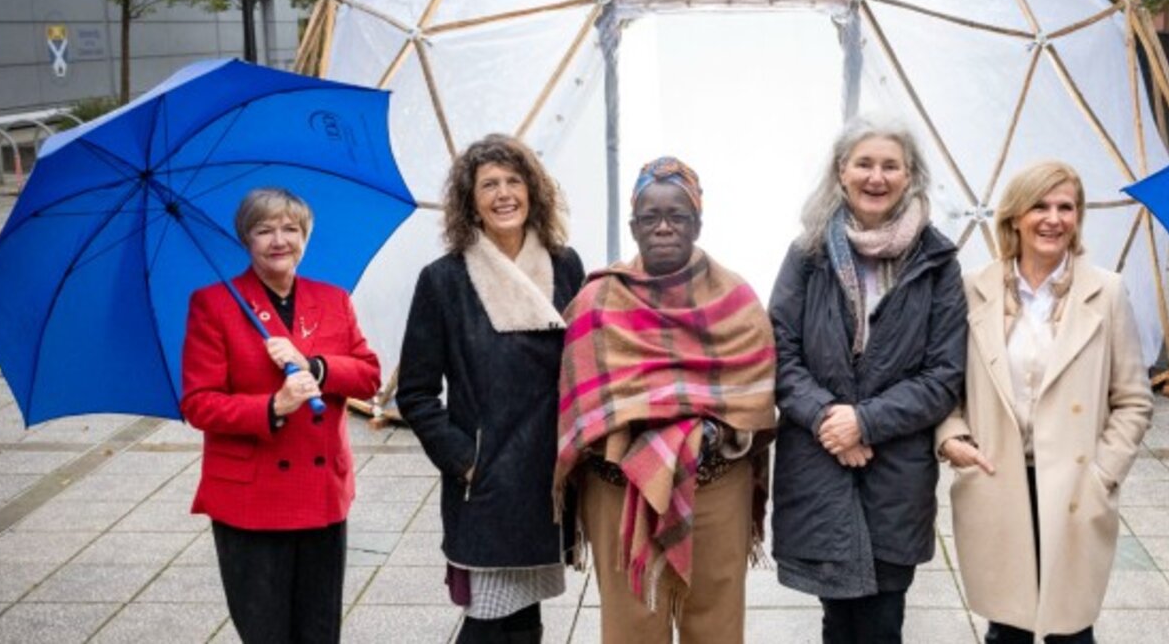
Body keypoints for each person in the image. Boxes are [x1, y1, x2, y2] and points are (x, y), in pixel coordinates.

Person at [554, 157, 777, 644]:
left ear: (697, 222)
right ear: (633, 225)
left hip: (716, 490)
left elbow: (756, 396)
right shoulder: (597, 302)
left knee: (716, 622)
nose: (663, 227)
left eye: (677, 216)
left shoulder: (736, 299)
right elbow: (579, 404)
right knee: (631, 622)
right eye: (650, 217)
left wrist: (699, 434)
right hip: (619, 493)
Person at [938, 161, 1154, 643]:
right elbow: (944, 385)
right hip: (998, 475)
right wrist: (951, 439)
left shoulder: (1107, 292)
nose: (1053, 218)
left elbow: (1134, 399)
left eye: (1066, 207)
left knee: (1070, 630)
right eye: (1040, 205)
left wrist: (1103, 471)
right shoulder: (973, 290)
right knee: (1007, 627)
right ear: (1015, 216)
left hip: (1076, 484)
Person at [768, 119, 966, 644]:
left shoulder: (937, 260)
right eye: (864, 163)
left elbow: (944, 373)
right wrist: (828, 419)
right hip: (819, 461)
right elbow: (779, 353)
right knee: (838, 617)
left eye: (890, 165)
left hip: (895, 469)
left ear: (910, 176)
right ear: (841, 171)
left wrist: (866, 422)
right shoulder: (807, 254)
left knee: (883, 618)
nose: (876, 177)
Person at [395, 135, 585, 644]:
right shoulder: (444, 281)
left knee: (525, 618)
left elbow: (584, 365)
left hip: (549, 477)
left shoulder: (565, 266)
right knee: (489, 618)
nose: (504, 194)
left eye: (513, 181)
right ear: (469, 201)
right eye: (489, 185)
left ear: (533, 192)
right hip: (486, 480)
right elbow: (414, 392)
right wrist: (463, 459)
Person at [181, 187, 382, 644]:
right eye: (264, 229)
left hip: (321, 492)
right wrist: (273, 406)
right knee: (266, 631)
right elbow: (198, 403)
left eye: (290, 229)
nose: (278, 240)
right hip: (251, 498)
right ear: (245, 239)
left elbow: (369, 376)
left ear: (305, 236)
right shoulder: (214, 305)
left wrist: (317, 367)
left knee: (319, 630)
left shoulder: (332, 299)